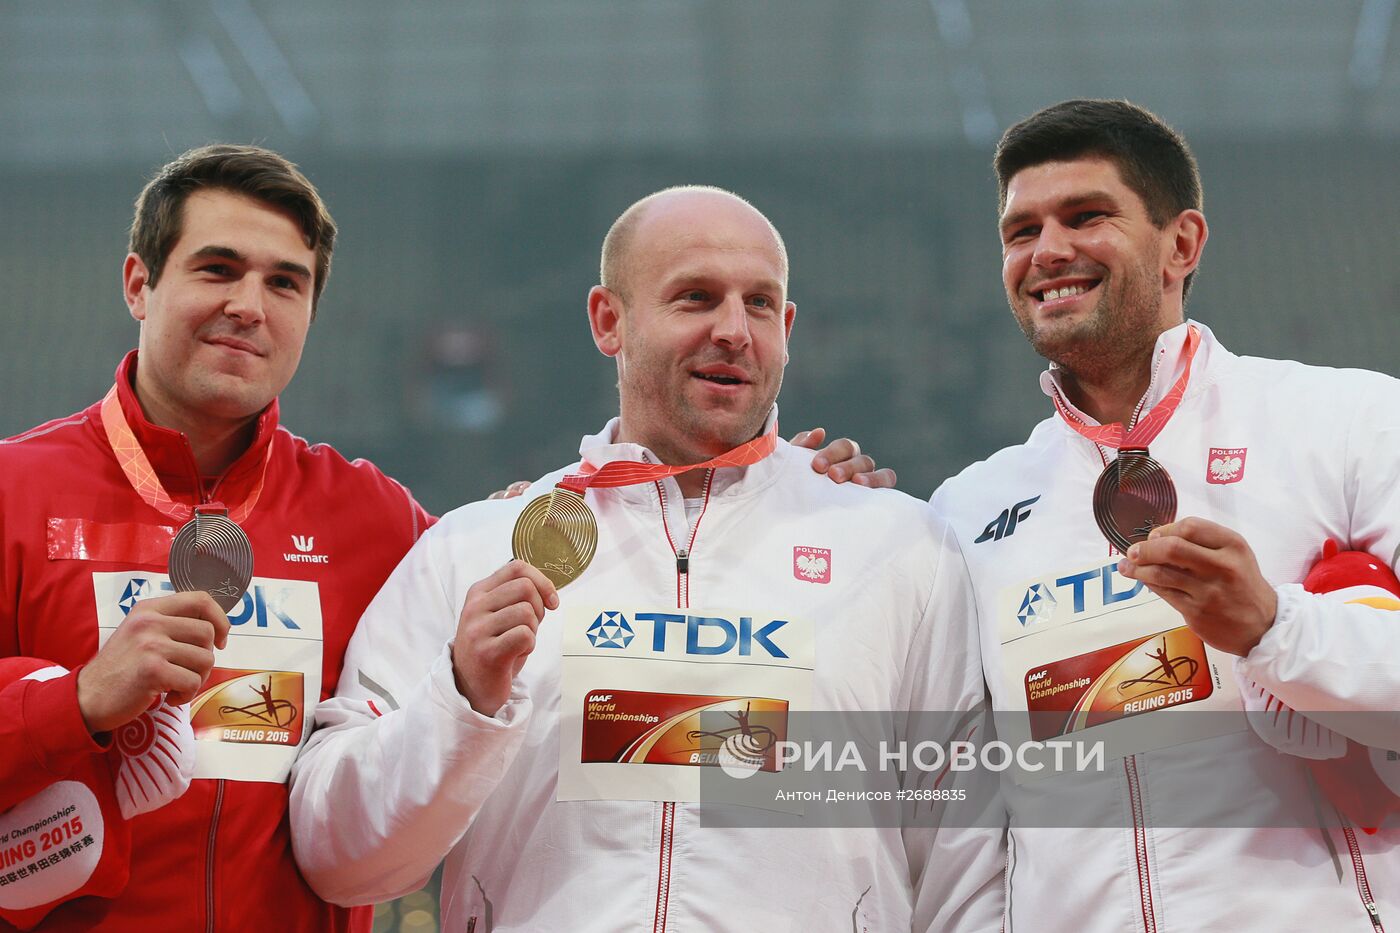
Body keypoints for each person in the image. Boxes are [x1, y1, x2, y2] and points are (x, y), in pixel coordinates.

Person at [289, 186, 1003, 930]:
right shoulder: (474, 549)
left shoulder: (897, 548)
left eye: (760, 304)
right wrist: (461, 699)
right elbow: (338, 856)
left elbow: (968, 858)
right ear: (609, 320)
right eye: (695, 297)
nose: (733, 329)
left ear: (787, 328)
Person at [926, 99, 1400, 930]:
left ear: (1181, 244)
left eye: (1085, 216)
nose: (1049, 252)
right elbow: (960, 810)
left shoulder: (1352, 423)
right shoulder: (966, 511)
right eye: (1021, 230)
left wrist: (1272, 627)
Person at [0, 144, 432, 931]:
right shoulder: (12, 495)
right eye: (217, 268)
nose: (249, 305)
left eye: (284, 283)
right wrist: (78, 701)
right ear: (140, 283)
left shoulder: (378, 520)